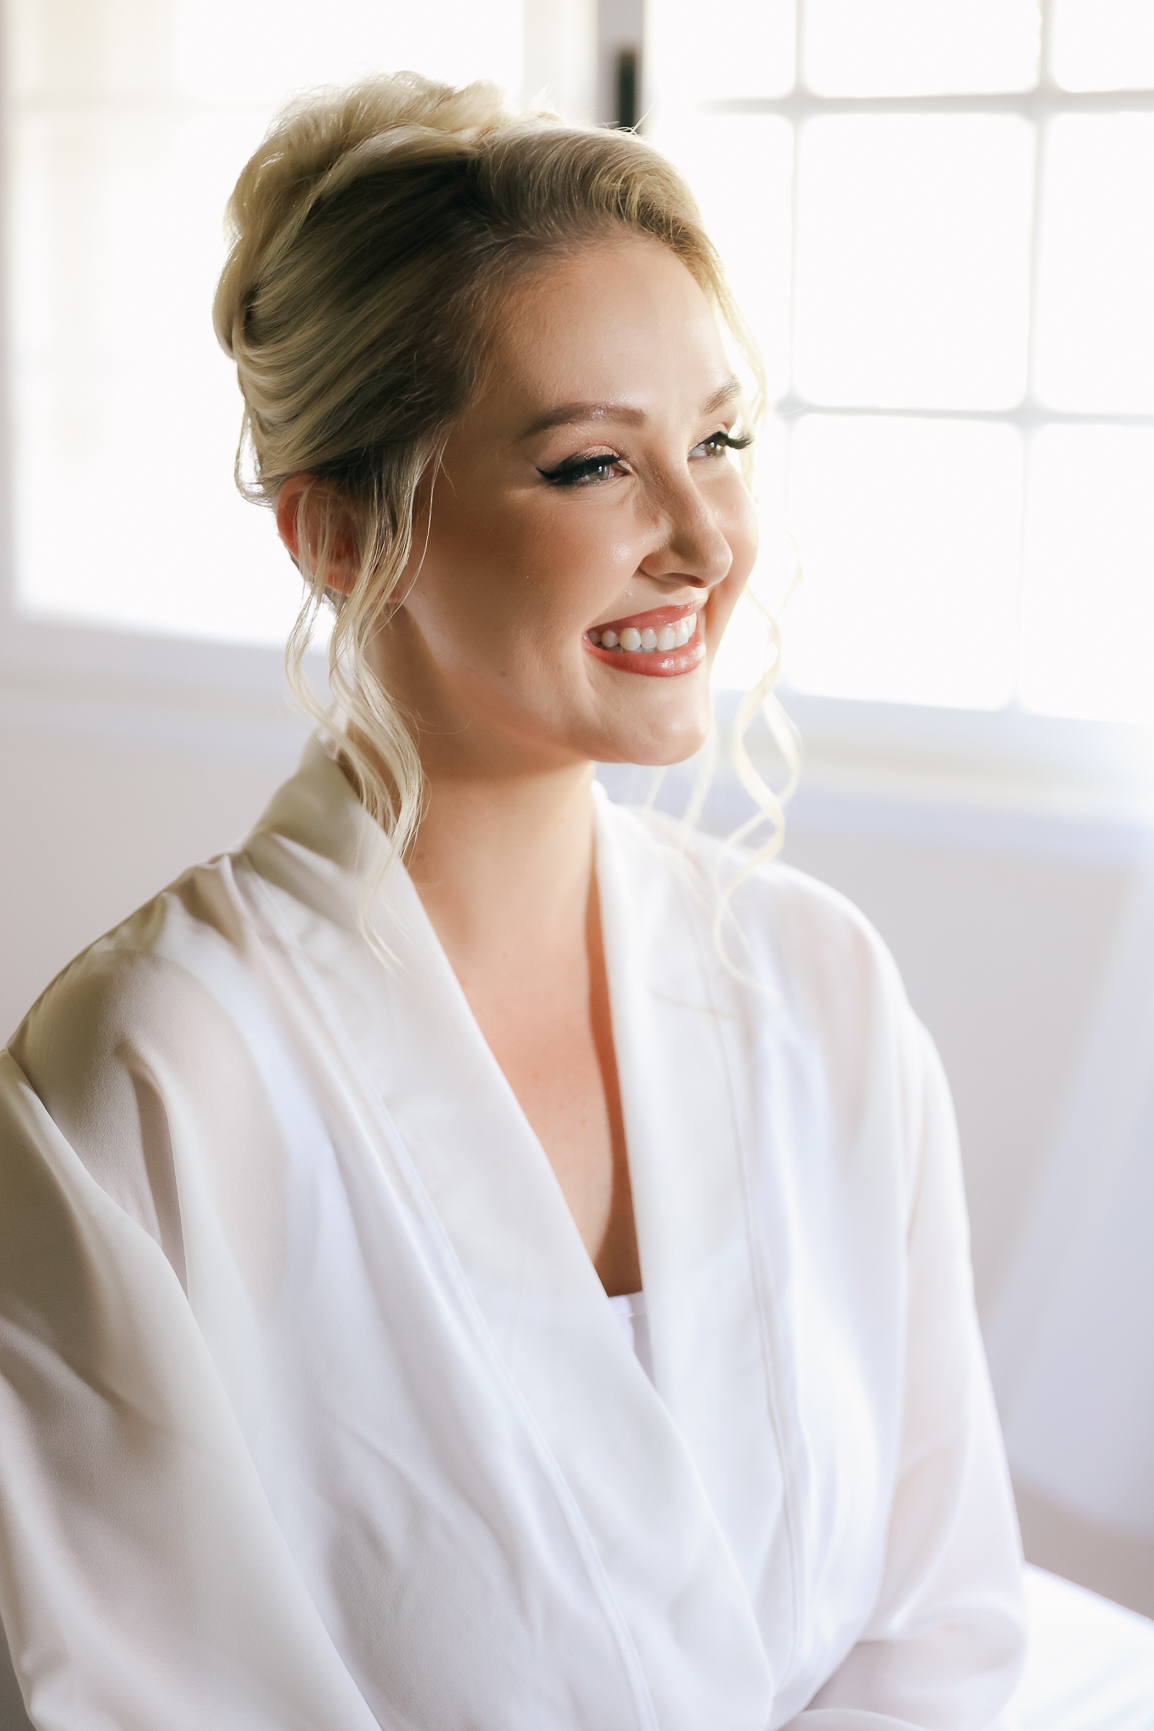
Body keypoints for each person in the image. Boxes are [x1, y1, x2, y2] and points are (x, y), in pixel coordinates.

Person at [0, 73, 1026, 1730]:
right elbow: (122, 1690)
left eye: (717, 441)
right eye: (590, 465)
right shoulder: (152, 1073)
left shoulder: (816, 987)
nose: (704, 539)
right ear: (342, 535)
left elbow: (939, 1623)